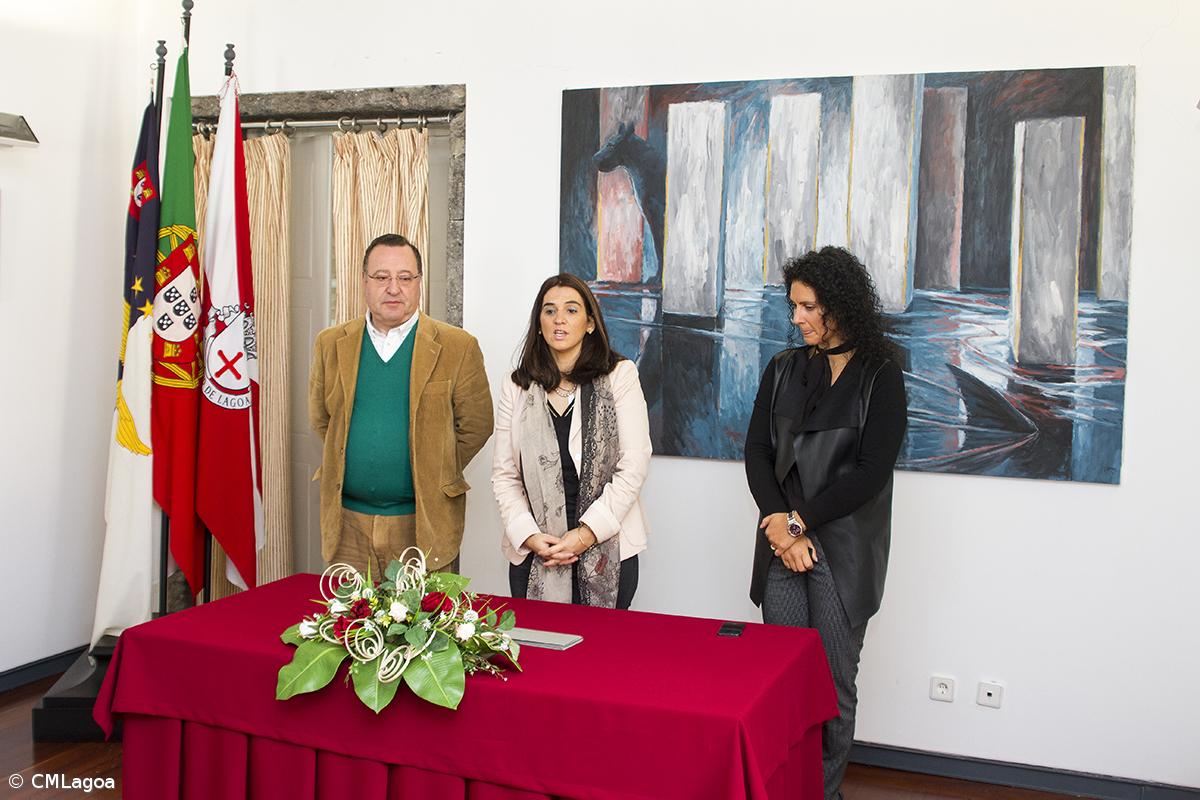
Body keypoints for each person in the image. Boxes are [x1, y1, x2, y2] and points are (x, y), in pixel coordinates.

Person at [744, 246, 908, 800]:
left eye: (807, 307)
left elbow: (870, 473)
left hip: (843, 550)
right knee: (782, 684)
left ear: (838, 306)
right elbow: (757, 451)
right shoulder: (784, 368)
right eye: (794, 306)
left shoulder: (882, 374)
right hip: (783, 545)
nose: (797, 318)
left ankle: (822, 794)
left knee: (833, 685)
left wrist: (799, 523)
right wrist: (778, 524)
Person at [309, 233, 493, 577]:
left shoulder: (458, 347)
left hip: (422, 525)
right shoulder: (331, 344)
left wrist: (432, 467)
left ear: (419, 283)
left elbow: (477, 426)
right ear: (364, 282)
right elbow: (322, 418)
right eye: (381, 277)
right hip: (347, 527)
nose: (393, 288)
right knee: (350, 629)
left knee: (427, 630)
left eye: (405, 278)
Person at [492, 274, 651, 609]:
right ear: (539, 324)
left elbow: (633, 466)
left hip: (607, 549)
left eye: (571, 310)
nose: (559, 319)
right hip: (536, 553)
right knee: (538, 653)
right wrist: (532, 537)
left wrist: (584, 535)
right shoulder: (516, 385)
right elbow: (505, 474)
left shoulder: (619, 375)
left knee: (601, 656)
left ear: (590, 323)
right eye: (549, 311)